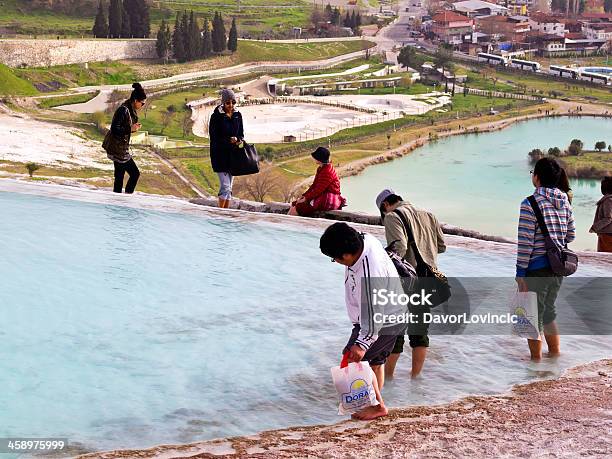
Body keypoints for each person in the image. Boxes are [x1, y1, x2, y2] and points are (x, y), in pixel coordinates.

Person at [320, 222, 401, 421]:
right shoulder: (364, 240)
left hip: (383, 321)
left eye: (334, 259)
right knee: (375, 362)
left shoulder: (369, 273)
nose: (336, 262)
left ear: (346, 255)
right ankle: (371, 406)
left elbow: (375, 314)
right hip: (395, 315)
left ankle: (378, 406)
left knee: (352, 357)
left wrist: (362, 344)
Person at [375, 189, 446, 379]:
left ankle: (387, 380)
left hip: (405, 281)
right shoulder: (428, 214)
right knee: (419, 332)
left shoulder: (392, 216)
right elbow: (442, 246)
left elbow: (399, 248)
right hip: (428, 279)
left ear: (384, 205)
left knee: (394, 333)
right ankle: (415, 378)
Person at [516, 158, 576, 360]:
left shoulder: (530, 203)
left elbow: (525, 243)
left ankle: (536, 364)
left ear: (537, 177)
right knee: (549, 313)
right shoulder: (564, 202)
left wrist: (520, 273)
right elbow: (571, 236)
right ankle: (555, 357)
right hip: (558, 268)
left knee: (532, 318)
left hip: (536, 269)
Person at [209, 88, 244, 208]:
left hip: (233, 156)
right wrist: (228, 140)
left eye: (233, 102)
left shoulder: (238, 115)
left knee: (229, 188)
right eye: (228, 103)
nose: (231, 105)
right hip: (219, 155)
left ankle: (226, 211)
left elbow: (241, 134)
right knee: (226, 186)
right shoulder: (216, 117)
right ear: (223, 103)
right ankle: (221, 211)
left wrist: (237, 140)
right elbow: (214, 137)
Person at [108, 82, 145, 193]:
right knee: (134, 174)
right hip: (118, 149)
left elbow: (123, 128)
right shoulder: (123, 110)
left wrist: (132, 128)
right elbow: (114, 129)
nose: (142, 106)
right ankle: (126, 199)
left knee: (119, 177)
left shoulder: (129, 110)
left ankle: (119, 202)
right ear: (135, 100)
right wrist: (131, 129)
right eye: (141, 103)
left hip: (120, 149)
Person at [288, 147, 346, 216]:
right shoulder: (321, 168)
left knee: (300, 206)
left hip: (328, 198)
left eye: (315, 157)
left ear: (320, 159)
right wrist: (304, 196)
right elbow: (314, 185)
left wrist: (306, 198)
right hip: (322, 195)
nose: (314, 158)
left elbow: (319, 189)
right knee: (295, 203)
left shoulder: (327, 171)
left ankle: (288, 223)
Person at [590, 176, 612, 252]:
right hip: (607, 235)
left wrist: (594, 227)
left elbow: (608, 218)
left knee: (604, 258)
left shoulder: (608, 200)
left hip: (607, 235)